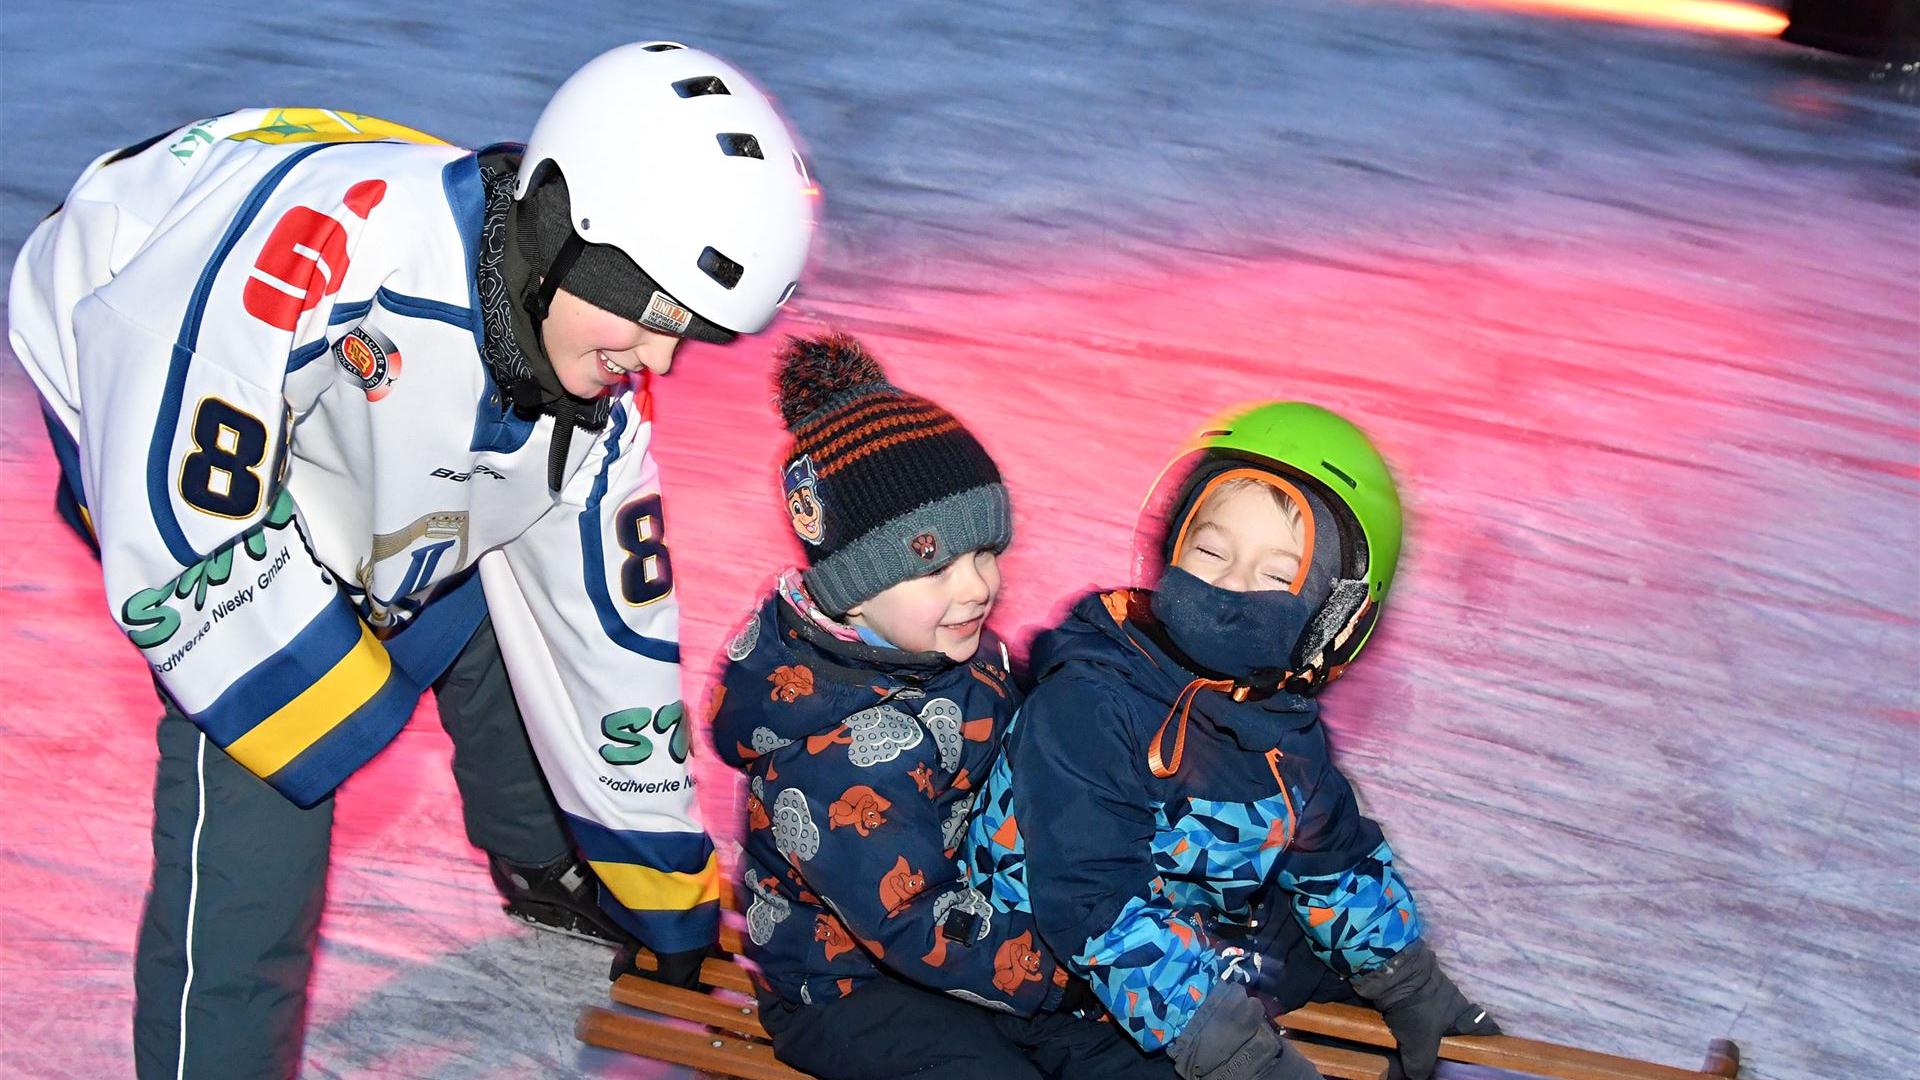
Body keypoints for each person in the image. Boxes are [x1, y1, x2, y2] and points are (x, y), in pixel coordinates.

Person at [6, 41, 814, 1079]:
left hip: (315, 369)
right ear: (568, 234)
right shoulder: (325, 260)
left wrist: (661, 885)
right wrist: (304, 680)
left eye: (687, 335)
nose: (659, 363)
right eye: (654, 317)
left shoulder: (596, 406)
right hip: (122, 333)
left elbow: (609, 637)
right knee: (262, 762)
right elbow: (178, 483)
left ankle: (543, 863)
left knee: (477, 574)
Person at [966, 402, 1499, 1080]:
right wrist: (1233, 1051)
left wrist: (1407, 982)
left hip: (1192, 928)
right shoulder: (1090, 702)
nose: (1228, 587)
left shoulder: (1281, 726)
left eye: (1277, 577)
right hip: (1056, 978)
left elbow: (1333, 855)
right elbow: (1096, 903)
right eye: (1211, 552)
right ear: (1172, 554)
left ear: (1332, 622)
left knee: (1333, 973)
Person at [710, 332, 1172, 1080]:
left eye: (985, 553)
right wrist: (1064, 973)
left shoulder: (943, 643)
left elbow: (1020, 734)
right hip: (847, 984)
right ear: (853, 587)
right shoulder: (829, 763)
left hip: (974, 925)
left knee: (1126, 1053)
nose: (977, 587)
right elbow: (908, 918)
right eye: (936, 567)